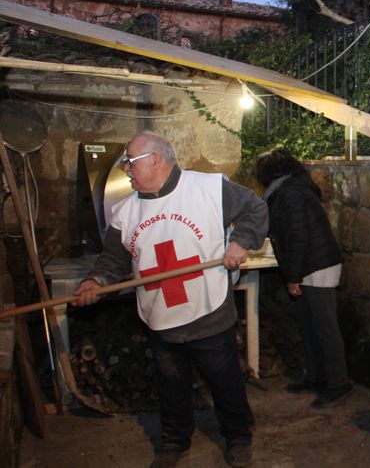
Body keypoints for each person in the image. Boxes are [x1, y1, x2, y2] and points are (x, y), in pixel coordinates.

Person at [74, 131, 268, 468]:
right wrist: (96, 280)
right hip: (159, 317)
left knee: (225, 382)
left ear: (156, 160)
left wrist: (241, 241)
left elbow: (255, 208)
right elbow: (113, 261)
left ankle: (238, 436)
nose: (125, 170)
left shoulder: (208, 189)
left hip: (207, 310)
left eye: (130, 162)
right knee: (171, 385)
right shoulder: (124, 212)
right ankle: (174, 441)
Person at [255, 147, 352, 408]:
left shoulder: (291, 193)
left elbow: (298, 236)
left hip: (317, 266)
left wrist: (292, 276)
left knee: (324, 327)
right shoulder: (290, 188)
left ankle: (338, 382)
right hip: (311, 264)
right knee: (309, 327)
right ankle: (317, 377)